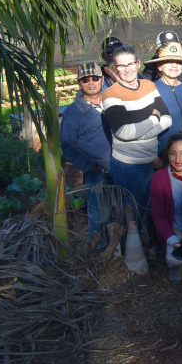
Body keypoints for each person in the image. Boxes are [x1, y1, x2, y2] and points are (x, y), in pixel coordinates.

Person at [102, 46, 172, 237]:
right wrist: (152, 120)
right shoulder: (110, 94)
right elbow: (124, 132)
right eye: (121, 66)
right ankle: (130, 256)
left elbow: (168, 118)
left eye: (131, 64)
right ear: (115, 68)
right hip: (127, 165)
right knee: (130, 212)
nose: (127, 69)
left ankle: (147, 248)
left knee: (149, 207)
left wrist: (141, 132)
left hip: (150, 162)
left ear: (138, 63)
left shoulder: (149, 86)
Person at [60, 62, 112, 251]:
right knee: (99, 214)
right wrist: (90, 166)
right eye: (85, 79)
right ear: (79, 83)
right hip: (97, 172)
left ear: (102, 79)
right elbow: (68, 146)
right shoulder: (72, 113)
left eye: (95, 78)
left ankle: (121, 250)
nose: (91, 83)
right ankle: (98, 251)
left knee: (126, 210)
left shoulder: (113, 101)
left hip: (123, 166)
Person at [150, 133, 182, 283]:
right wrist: (171, 238)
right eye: (173, 154)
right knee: (174, 259)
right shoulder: (160, 178)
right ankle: (176, 265)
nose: (178, 159)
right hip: (177, 229)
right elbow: (158, 215)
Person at [144, 42, 182, 157]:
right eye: (169, 62)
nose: (174, 65)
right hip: (160, 154)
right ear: (159, 66)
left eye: (178, 62)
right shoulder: (149, 89)